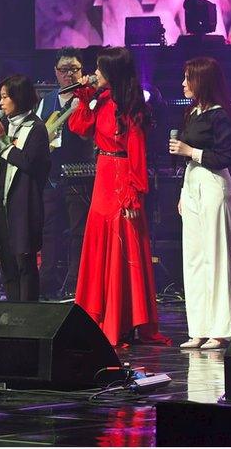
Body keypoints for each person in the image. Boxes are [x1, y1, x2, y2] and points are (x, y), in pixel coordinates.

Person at [67, 46, 169, 347]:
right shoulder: (101, 101)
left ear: (112, 73)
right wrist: (84, 100)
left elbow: (137, 154)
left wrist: (133, 195)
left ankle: (122, 321)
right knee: (100, 245)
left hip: (121, 177)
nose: (94, 74)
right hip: (103, 175)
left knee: (122, 248)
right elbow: (79, 127)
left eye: (99, 69)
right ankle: (98, 316)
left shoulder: (131, 108)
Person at [169, 57, 231, 349]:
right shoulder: (193, 113)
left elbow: (224, 157)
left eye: (188, 78)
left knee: (215, 255)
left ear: (202, 81)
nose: (184, 83)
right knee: (194, 258)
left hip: (212, 185)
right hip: (193, 185)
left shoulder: (219, 116)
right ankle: (198, 327)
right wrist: (184, 194)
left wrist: (191, 151)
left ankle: (220, 328)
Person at [0, 75, 50, 302]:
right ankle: (12, 313)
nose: (0, 103)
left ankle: (28, 317)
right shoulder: (4, 126)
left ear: (18, 98)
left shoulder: (36, 128)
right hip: (0, 202)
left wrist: (3, 143)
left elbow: (29, 163)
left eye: (5, 97)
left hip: (23, 205)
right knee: (8, 264)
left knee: (24, 262)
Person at [36, 47, 94, 298]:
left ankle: (74, 282)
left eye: (74, 69)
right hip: (51, 176)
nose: (69, 75)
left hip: (79, 175)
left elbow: (87, 135)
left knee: (78, 231)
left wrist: (80, 103)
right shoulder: (46, 101)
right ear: (56, 73)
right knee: (49, 230)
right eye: (64, 70)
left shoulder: (87, 99)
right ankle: (47, 280)